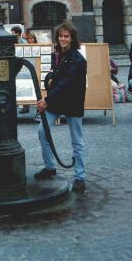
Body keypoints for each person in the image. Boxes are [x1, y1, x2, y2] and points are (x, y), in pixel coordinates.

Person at [35, 21, 87, 193]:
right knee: (43, 131)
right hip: (56, 102)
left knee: (77, 141)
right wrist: (49, 78)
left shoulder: (78, 59)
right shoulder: (57, 55)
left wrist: (47, 100)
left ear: (72, 38)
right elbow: (53, 74)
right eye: (61, 36)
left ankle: (80, 177)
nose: (63, 39)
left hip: (71, 102)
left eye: (67, 36)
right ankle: (50, 166)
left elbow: (66, 83)